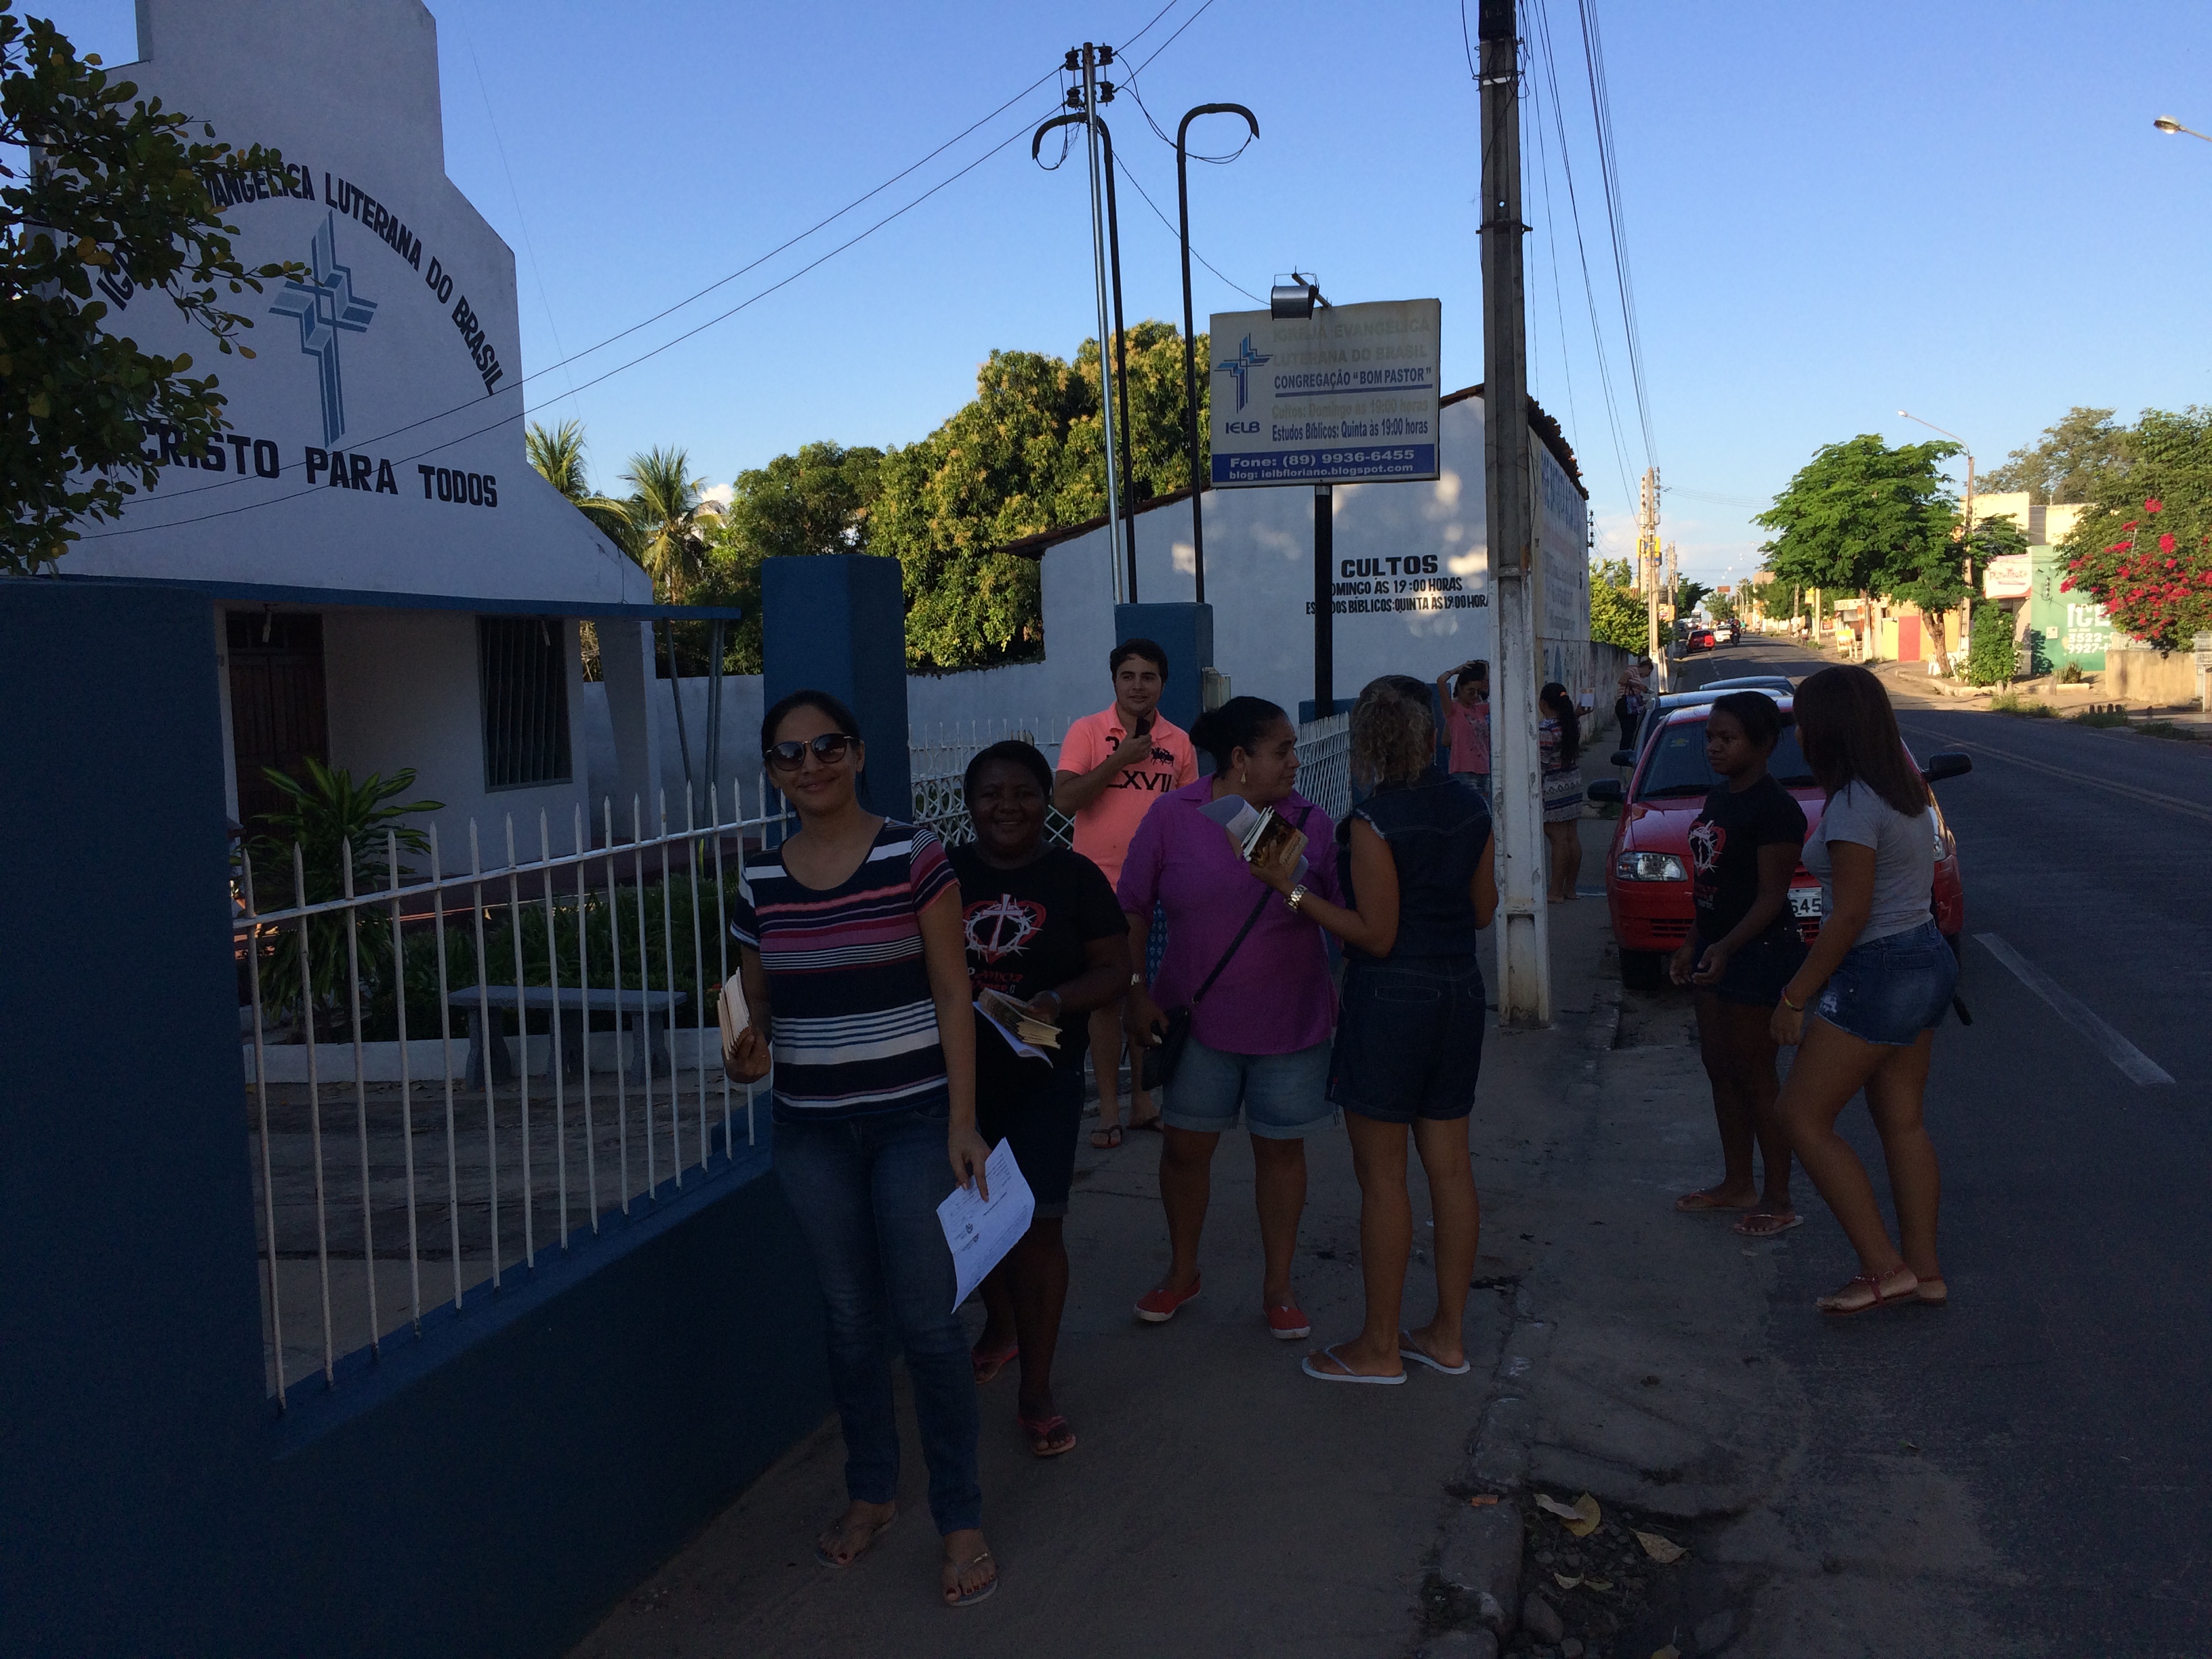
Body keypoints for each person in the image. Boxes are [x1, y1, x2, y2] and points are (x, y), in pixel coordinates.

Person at [722, 689, 998, 1607]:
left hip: (914, 1123)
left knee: (928, 1324)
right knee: (848, 1323)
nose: (811, 765)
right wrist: (746, 1054)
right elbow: (759, 1006)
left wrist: (963, 1122)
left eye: (827, 746)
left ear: (858, 753)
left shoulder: (913, 854)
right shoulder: (760, 882)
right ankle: (873, 1491)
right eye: (790, 754)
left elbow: (954, 993)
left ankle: (959, 1514)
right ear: (772, 772)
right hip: (812, 1134)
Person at [1244, 676, 1498, 1384]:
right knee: (1451, 1168)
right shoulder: (1470, 805)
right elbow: (1483, 911)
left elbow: (1376, 935)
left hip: (1392, 999)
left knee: (1383, 1178)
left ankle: (1379, 1347)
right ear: (1432, 734)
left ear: (1367, 745)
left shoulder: (1372, 821)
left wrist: (1290, 890)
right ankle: (1447, 1336)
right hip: (1460, 989)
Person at [1120, 696, 1343, 1341]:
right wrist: (1135, 990)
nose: (1296, 762)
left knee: (1280, 1153)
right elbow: (1131, 907)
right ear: (1240, 759)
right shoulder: (1174, 815)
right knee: (1185, 1150)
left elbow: (1344, 915)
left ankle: (1279, 1288)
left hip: (1290, 1024)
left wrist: (1290, 888)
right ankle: (1181, 1271)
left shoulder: (1310, 822)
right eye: (1283, 751)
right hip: (1198, 1024)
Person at [949, 741, 1131, 1458]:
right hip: (958, 1081)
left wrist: (1057, 1000)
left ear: (1046, 800)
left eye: (1024, 792)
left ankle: (1038, 1390)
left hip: (1042, 1080)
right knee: (974, 1219)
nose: (1008, 807)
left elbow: (1114, 968)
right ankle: (1001, 1327)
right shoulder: (944, 876)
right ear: (969, 803)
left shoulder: (1075, 877)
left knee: (1039, 1228)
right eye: (991, 793)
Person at [1769, 665, 1957, 1315]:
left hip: (1879, 968)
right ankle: (1924, 1272)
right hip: (1925, 955)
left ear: (1831, 729)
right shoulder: (1905, 791)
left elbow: (1849, 916)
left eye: (1803, 723)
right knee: (1903, 1121)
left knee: (1801, 1117)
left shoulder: (1853, 803)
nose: (1798, 735)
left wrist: (1795, 997)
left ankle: (1882, 1267)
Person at [1668, 692, 1809, 1238]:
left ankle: (1779, 1197)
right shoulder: (1718, 797)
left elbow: (1771, 897)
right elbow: (1712, 885)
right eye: (1711, 738)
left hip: (1759, 953)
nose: (1714, 748)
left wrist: (1725, 947)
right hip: (1717, 949)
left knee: (1755, 1076)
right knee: (1719, 1068)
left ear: (1765, 743)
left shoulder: (1776, 810)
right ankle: (1737, 1183)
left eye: (1728, 739)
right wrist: (1693, 941)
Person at [1053, 639, 1199, 1147]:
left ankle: (1142, 1101)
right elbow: (1064, 800)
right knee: (1104, 1001)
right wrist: (1120, 759)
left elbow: (1188, 817)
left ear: (1163, 683)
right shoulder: (1088, 732)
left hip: (1155, 890)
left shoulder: (1179, 743)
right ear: (1114, 681)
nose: (1138, 686)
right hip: (1097, 888)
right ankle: (1109, 1111)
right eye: (1128, 676)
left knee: (1145, 994)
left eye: (1149, 677)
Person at [1538, 681, 1585, 901]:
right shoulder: (1572, 725)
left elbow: (1541, 764)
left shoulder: (1545, 729)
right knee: (1571, 837)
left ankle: (1555, 891)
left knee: (1557, 839)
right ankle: (1570, 889)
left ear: (1543, 703)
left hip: (1553, 788)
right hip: (1573, 784)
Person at [1434, 659, 1491, 796]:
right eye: (1471, 691)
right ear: (1460, 688)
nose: (1475, 695)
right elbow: (1441, 681)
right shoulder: (1453, 709)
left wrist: (1487, 674)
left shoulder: (1480, 709)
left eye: (1477, 691)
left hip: (1484, 770)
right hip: (1464, 770)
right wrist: (1456, 670)